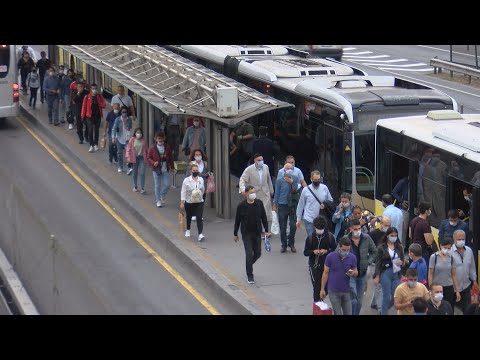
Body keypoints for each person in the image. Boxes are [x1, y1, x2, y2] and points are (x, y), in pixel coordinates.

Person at [233, 185, 270, 284]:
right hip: (246, 233)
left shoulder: (259, 203)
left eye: (254, 192)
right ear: (246, 194)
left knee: (258, 253)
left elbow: (264, 217)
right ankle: (250, 275)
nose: (253, 194)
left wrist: (266, 230)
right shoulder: (241, 206)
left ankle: (249, 264)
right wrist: (235, 233)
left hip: (257, 232)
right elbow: (237, 221)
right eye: (251, 192)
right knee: (249, 253)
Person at [342, 219, 377, 315]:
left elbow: (374, 252)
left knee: (360, 302)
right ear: (351, 229)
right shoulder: (345, 239)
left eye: (359, 228)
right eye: (355, 229)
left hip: (362, 274)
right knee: (353, 299)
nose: (357, 231)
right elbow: (338, 253)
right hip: (350, 275)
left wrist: (368, 262)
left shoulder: (366, 238)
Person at [320, 236, 358, 315]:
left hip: (346, 291)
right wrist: (322, 289)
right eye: (344, 250)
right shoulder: (330, 257)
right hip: (333, 291)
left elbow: (356, 272)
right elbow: (325, 273)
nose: (346, 252)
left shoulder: (352, 258)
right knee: (337, 313)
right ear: (339, 247)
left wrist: (353, 273)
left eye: (348, 250)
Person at [373, 227, 405, 315]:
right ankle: (383, 312)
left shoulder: (399, 247)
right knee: (386, 296)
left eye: (395, 235)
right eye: (392, 235)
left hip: (396, 272)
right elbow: (378, 263)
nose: (394, 237)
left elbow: (403, 260)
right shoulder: (381, 247)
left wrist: (402, 263)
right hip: (385, 272)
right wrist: (377, 275)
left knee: (397, 296)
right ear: (387, 236)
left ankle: (383, 309)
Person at [304, 216, 337, 303]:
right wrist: (313, 251)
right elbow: (305, 252)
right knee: (317, 286)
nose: (320, 230)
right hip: (314, 266)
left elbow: (335, 250)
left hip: (327, 265)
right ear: (314, 227)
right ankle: (317, 304)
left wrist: (326, 251)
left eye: (321, 228)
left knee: (326, 286)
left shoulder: (330, 237)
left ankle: (320, 301)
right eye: (318, 228)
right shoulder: (310, 238)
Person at [273, 162, 301, 252]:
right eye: (287, 168)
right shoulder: (279, 180)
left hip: (293, 205)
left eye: (291, 168)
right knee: (283, 226)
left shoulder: (296, 178)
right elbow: (276, 193)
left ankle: (291, 243)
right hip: (282, 205)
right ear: (284, 170)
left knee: (293, 226)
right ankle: (284, 244)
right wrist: (274, 204)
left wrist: (292, 182)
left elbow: (297, 190)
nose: (289, 170)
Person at [296, 170, 333, 237]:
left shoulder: (324, 188)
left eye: (319, 179)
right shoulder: (305, 190)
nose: (317, 181)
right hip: (309, 219)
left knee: (321, 239)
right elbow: (301, 205)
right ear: (311, 179)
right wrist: (298, 219)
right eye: (315, 180)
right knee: (311, 239)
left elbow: (330, 200)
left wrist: (325, 204)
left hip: (321, 219)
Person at [428, 236, 461, 310]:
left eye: (449, 248)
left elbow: (454, 275)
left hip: (449, 287)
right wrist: (431, 288)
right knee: (437, 308)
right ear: (440, 246)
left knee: (449, 308)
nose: (447, 250)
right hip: (437, 288)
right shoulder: (434, 257)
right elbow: (430, 274)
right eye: (445, 247)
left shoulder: (452, 258)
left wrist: (457, 291)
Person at [239, 153, 274, 222]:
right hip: (254, 194)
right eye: (259, 160)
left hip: (265, 193)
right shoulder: (249, 169)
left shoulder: (266, 167)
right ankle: (257, 229)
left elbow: (268, 179)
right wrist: (243, 189)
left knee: (265, 212)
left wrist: (271, 190)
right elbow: (242, 179)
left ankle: (264, 229)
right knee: (255, 213)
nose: (261, 161)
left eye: (262, 160)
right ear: (255, 161)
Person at [367, 216, 391, 310]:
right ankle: (381, 308)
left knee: (380, 285)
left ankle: (375, 303)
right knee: (379, 285)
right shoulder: (373, 234)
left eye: (389, 225)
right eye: (386, 225)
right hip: (375, 264)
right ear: (381, 224)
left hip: (386, 264)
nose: (387, 227)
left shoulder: (391, 234)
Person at [451, 229, 478, 313]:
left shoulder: (469, 251)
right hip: (453, 288)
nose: (461, 241)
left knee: (467, 310)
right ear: (454, 239)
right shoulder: (449, 252)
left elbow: (472, 267)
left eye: (463, 239)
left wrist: (474, 280)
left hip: (466, 286)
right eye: (459, 239)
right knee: (453, 310)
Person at [147, 132, 173, 208]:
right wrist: (153, 162)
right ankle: (158, 200)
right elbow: (148, 157)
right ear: (156, 139)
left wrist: (172, 167)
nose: (161, 141)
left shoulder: (167, 147)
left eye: (162, 139)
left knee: (167, 184)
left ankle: (162, 195)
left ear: (164, 138)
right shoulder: (152, 148)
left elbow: (170, 157)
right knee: (157, 185)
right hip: (156, 169)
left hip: (165, 168)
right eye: (159, 139)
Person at [181, 163, 206, 241]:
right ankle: (188, 230)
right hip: (189, 202)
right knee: (189, 216)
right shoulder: (186, 180)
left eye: (196, 170)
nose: (195, 171)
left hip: (199, 201)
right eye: (194, 170)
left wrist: (200, 193)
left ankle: (200, 234)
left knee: (199, 218)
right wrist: (182, 202)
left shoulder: (201, 179)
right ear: (191, 171)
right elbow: (183, 192)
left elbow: (203, 189)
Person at [81, 83, 106, 153]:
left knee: (97, 130)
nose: (94, 90)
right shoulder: (87, 97)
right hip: (89, 116)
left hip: (97, 116)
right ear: (90, 89)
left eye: (95, 88)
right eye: (93, 88)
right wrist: (82, 116)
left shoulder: (99, 97)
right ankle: (91, 145)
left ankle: (95, 144)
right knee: (90, 130)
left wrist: (99, 102)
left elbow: (104, 105)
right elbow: (84, 107)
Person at [409, 201, 435, 267]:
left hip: (413, 251)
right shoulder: (425, 224)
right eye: (429, 209)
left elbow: (410, 235)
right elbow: (429, 242)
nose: (430, 211)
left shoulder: (413, 220)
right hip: (422, 252)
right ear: (426, 211)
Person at [126, 127, 147, 194]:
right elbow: (128, 148)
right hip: (134, 158)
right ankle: (135, 186)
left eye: (140, 132)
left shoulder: (144, 140)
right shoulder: (132, 140)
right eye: (137, 132)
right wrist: (128, 157)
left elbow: (146, 150)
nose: (139, 134)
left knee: (142, 173)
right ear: (135, 133)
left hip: (141, 158)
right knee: (135, 173)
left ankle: (142, 188)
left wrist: (148, 158)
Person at [112, 106, 133, 171]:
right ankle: (120, 167)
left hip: (127, 138)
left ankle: (130, 167)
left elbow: (130, 127)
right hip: (119, 138)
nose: (124, 113)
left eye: (125, 112)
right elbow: (114, 129)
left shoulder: (129, 119)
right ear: (121, 112)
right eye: (123, 112)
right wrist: (113, 137)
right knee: (119, 153)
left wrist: (127, 125)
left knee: (128, 153)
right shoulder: (118, 119)